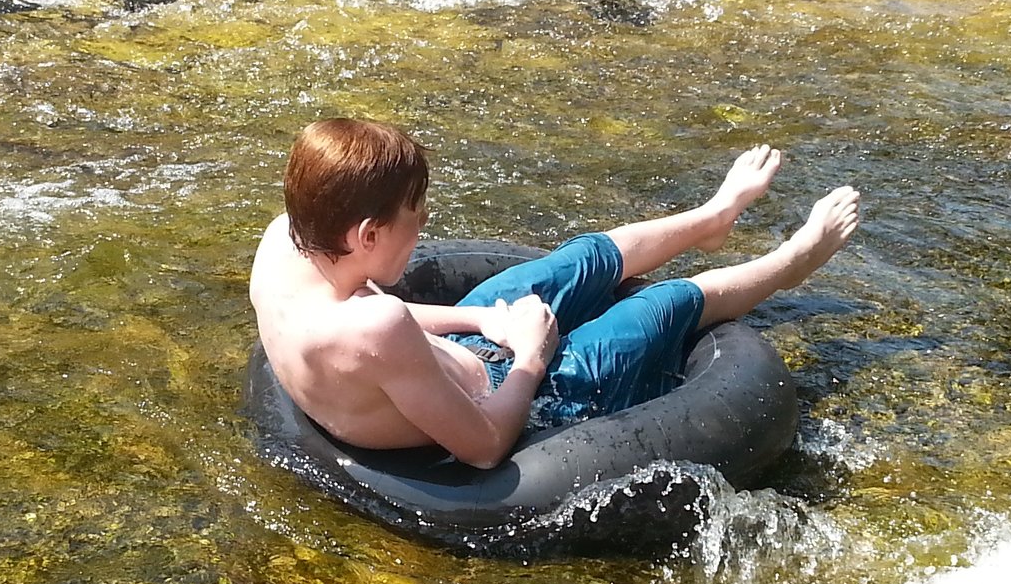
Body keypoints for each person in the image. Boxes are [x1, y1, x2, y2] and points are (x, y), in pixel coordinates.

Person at [249, 118, 862, 468]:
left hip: (459, 355)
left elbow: (376, 321)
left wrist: (482, 321)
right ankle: (792, 261)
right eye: (417, 215)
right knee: (665, 303)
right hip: (516, 395)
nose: (425, 225)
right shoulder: (372, 329)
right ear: (368, 235)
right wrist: (530, 356)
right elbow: (485, 447)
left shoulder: (285, 245)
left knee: (582, 259)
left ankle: (713, 217)